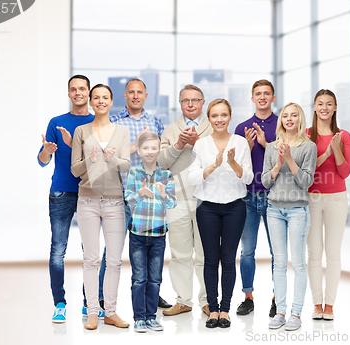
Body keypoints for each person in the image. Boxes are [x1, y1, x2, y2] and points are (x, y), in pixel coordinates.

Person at [38, 75, 104, 323]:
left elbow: (102, 161)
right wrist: (46, 152)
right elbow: (43, 161)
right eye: (73, 89)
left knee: (90, 251)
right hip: (62, 192)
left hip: (90, 191)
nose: (78, 92)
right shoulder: (56, 122)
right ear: (68, 93)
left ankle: (90, 303)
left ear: (88, 93)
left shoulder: (97, 122)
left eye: (82, 89)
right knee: (58, 249)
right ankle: (59, 303)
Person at [188, 99, 254, 328]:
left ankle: (225, 309)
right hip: (207, 207)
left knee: (228, 260)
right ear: (209, 118)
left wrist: (233, 163)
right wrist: (214, 165)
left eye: (223, 115)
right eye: (214, 115)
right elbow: (192, 177)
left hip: (235, 206)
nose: (219, 119)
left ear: (230, 116)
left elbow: (248, 177)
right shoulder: (201, 145)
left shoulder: (241, 142)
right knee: (209, 260)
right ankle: (212, 309)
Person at [71, 84, 131, 330]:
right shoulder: (81, 131)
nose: (100, 101)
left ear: (111, 101)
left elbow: (125, 166)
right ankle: (93, 312)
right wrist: (89, 160)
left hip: (115, 200)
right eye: (96, 97)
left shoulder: (122, 131)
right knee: (91, 259)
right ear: (91, 102)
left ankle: (112, 312)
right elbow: (75, 169)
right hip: (87, 200)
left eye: (105, 97)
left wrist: (110, 158)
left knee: (115, 260)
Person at [108, 78, 171, 309]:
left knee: (152, 250)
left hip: (151, 200)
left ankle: (153, 295)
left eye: (140, 92)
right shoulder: (114, 122)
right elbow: (111, 156)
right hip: (123, 193)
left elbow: (161, 157)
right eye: (131, 92)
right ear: (125, 96)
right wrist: (135, 145)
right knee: (113, 251)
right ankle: (104, 299)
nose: (135, 96)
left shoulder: (155, 122)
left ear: (146, 96)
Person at [157, 84, 213, 317]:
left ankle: (208, 301)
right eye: (185, 100)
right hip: (177, 199)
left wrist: (196, 143)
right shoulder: (170, 131)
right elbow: (161, 162)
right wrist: (179, 144)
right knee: (180, 254)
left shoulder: (213, 127)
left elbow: (218, 160)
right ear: (180, 104)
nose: (190, 104)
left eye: (195, 100)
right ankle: (183, 300)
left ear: (202, 102)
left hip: (206, 199)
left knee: (206, 254)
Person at [262, 103, 317, 331]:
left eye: (294, 115)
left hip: (297, 211)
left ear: (300, 119)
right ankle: (281, 312)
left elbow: (306, 182)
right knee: (279, 263)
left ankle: (296, 313)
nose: (289, 119)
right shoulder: (272, 147)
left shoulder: (309, 147)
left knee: (299, 263)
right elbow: (265, 181)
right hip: (274, 210)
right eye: (286, 115)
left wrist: (290, 159)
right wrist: (277, 164)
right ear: (281, 119)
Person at [306, 89, 350, 321]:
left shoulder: (343, 136)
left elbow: (344, 172)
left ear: (335, 108)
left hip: (336, 198)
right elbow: (306, 171)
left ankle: (330, 305)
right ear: (314, 107)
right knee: (314, 253)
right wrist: (326, 153)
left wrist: (336, 150)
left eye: (329, 104)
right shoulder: (305, 135)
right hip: (311, 198)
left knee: (333, 253)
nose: (324, 107)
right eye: (320, 103)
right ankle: (316, 304)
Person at [125, 132, 177, 333]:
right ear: (138, 150)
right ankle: (139, 318)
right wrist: (139, 193)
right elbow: (127, 199)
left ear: (159, 150)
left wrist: (163, 195)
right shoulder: (134, 173)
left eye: (154, 148)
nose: (149, 152)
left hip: (158, 235)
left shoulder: (166, 175)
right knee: (139, 278)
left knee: (155, 278)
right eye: (145, 148)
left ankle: (151, 317)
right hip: (137, 233)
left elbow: (172, 203)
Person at [234, 79, 278, 317]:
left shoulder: (282, 124)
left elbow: (285, 157)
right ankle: (248, 297)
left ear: (273, 98)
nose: (262, 97)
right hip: (247, 197)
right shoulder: (242, 128)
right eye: (258, 94)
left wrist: (265, 143)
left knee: (276, 251)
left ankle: (276, 297)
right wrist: (248, 148)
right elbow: (235, 166)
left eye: (266, 93)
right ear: (252, 98)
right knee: (247, 251)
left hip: (274, 197)